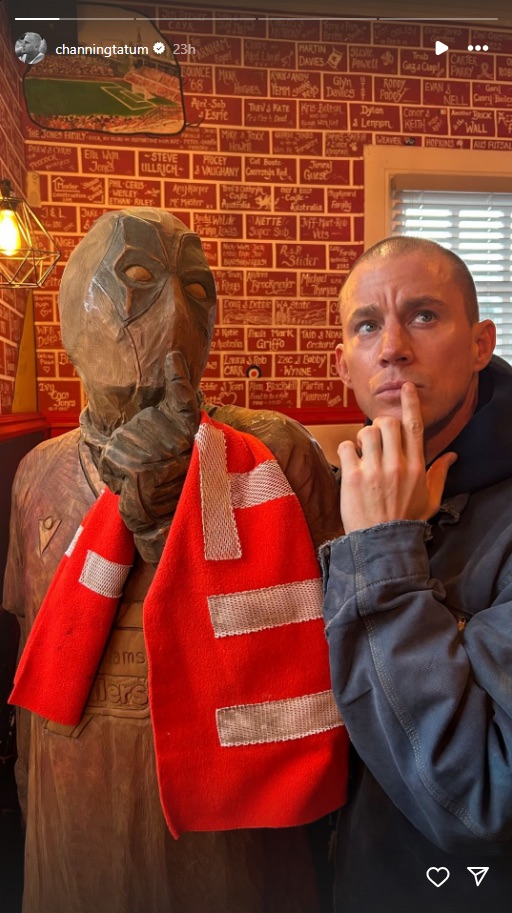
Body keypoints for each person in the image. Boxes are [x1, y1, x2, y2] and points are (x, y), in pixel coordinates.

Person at [3, 209, 346, 913]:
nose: (176, 313)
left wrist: (175, 511)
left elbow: (332, 645)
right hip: (76, 807)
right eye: (136, 278)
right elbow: (36, 649)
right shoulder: (41, 473)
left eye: (197, 288)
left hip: (233, 818)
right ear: (73, 314)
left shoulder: (275, 455)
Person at [323, 234, 512, 912]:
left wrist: (384, 551)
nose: (393, 346)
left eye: (424, 315)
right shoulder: (332, 490)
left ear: (480, 342)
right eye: (368, 325)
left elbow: (480, 796)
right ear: (345, 365)